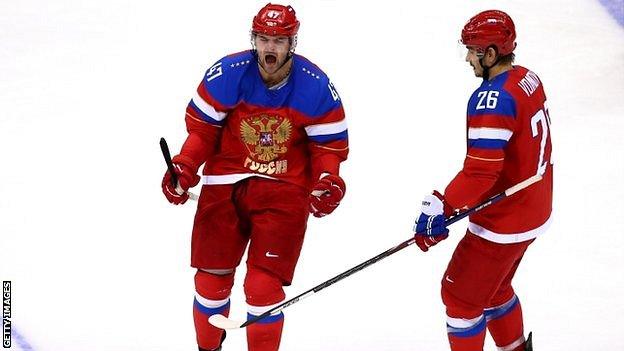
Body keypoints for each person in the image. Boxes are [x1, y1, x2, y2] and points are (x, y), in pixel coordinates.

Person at [161, 3, 349, 351]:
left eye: (278, 41)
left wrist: (327, 179)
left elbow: (328, 149)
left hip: (284, 190)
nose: (269, 48)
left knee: (263, 288)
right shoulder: (229, 73)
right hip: (225, 185)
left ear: (293, 42)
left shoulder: (316, 86)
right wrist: (185, 166)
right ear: (254, 40)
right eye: (263, 39)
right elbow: (202, 132)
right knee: (209, 281)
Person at [412, 10, 552, 351]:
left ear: (491, 54)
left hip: (503, 223)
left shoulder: (493, 99)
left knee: (459, 298)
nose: (468, 58)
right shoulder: (527, 78)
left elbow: (480, 172)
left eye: (473, 50)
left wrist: (441, 207)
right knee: (494, 290)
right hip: (533, 210)